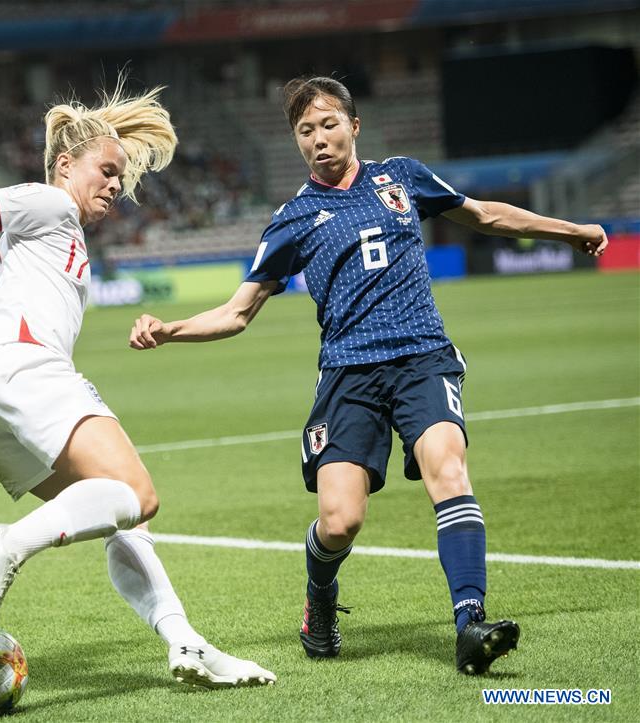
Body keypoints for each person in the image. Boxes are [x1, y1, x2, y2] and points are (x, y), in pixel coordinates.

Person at [129, 76, 608, 675]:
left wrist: (572, 231)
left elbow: (486, 215)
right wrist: (170, 329)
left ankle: (470, 622)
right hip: (347, 378)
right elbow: (237, 312)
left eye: (329, 124)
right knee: (340, 521)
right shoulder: (293, 220)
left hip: (422, 358)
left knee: (448, 470)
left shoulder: (402, 177)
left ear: (354, 127)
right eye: (306, 130)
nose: (318, 139)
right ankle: (320, 598)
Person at [0, 81, 275, 689]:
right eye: (106, 171)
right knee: (137, 494)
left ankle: (184, 642)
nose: (115, 185)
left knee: (121, 514)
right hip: (21, 368)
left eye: (120, 175)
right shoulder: (51, 203)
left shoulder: (63, 231)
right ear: (65, 165)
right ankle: (6, 545)